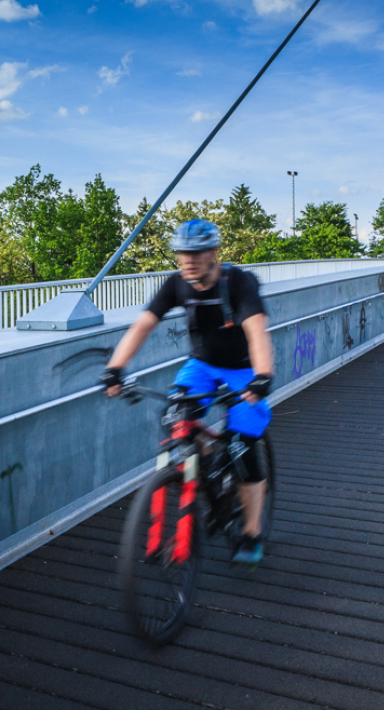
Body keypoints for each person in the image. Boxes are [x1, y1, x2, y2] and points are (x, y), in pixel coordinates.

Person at [101, 218, 275, 566]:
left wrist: (262, 376)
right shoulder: (177, 284)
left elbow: (257, 332)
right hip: (202, 366)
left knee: (244, 446)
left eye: (196, 253)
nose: (188, 260)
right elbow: (144, 325)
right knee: (175, 418)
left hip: (243, 370)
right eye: (183, 253)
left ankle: (251, 532)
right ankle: (210, 460)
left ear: (214, 252)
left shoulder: (237, 282)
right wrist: (115, 368)